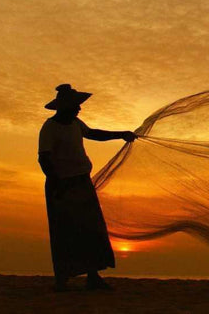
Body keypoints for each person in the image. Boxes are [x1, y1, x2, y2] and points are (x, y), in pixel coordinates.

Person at [38, 84, 136, 292]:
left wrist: (121, 134)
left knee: (91, 229)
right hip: (61, 184)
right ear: (65, 106)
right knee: (65, 230)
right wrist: (57, 183)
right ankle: (62, 280)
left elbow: (93, 134)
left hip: (82, 181)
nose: (79, 109)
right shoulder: (50, 127)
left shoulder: (75, 123)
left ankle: (93, 276)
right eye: (76, 105)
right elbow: (44, 158)